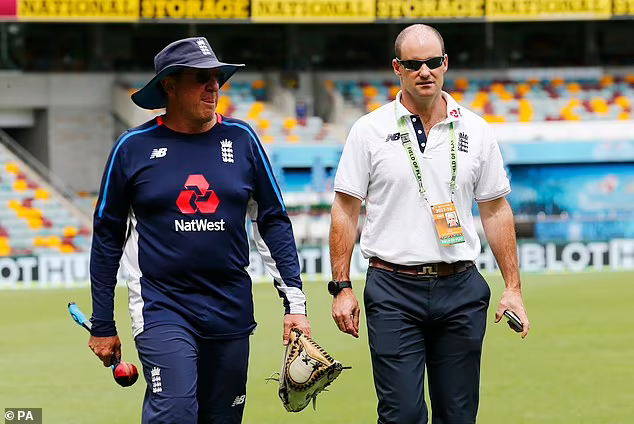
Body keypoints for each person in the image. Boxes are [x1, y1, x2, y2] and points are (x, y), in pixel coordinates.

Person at [88, 37, 311, 424]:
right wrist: (103, 324)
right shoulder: (132, 148)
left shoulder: (243, 140)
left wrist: (296, 305)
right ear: (169, 86)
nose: (214, 87)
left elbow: (272, 219)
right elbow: (107, 236)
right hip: (162, 308)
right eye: (201, 78)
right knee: (174, 412)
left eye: (217, 79)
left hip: (230, 310)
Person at [328, 24, 529, 424]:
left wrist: (513, 288)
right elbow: (346, 208)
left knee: (458, 415)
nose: (425, 71)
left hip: (461, 287)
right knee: (401, 414)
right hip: (392, 289)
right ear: (397, 68)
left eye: (433, 62)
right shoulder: (369, 130)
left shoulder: (476, 129)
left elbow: (495, 209)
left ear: (446, 64)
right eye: (415, 64)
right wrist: (342, 287)